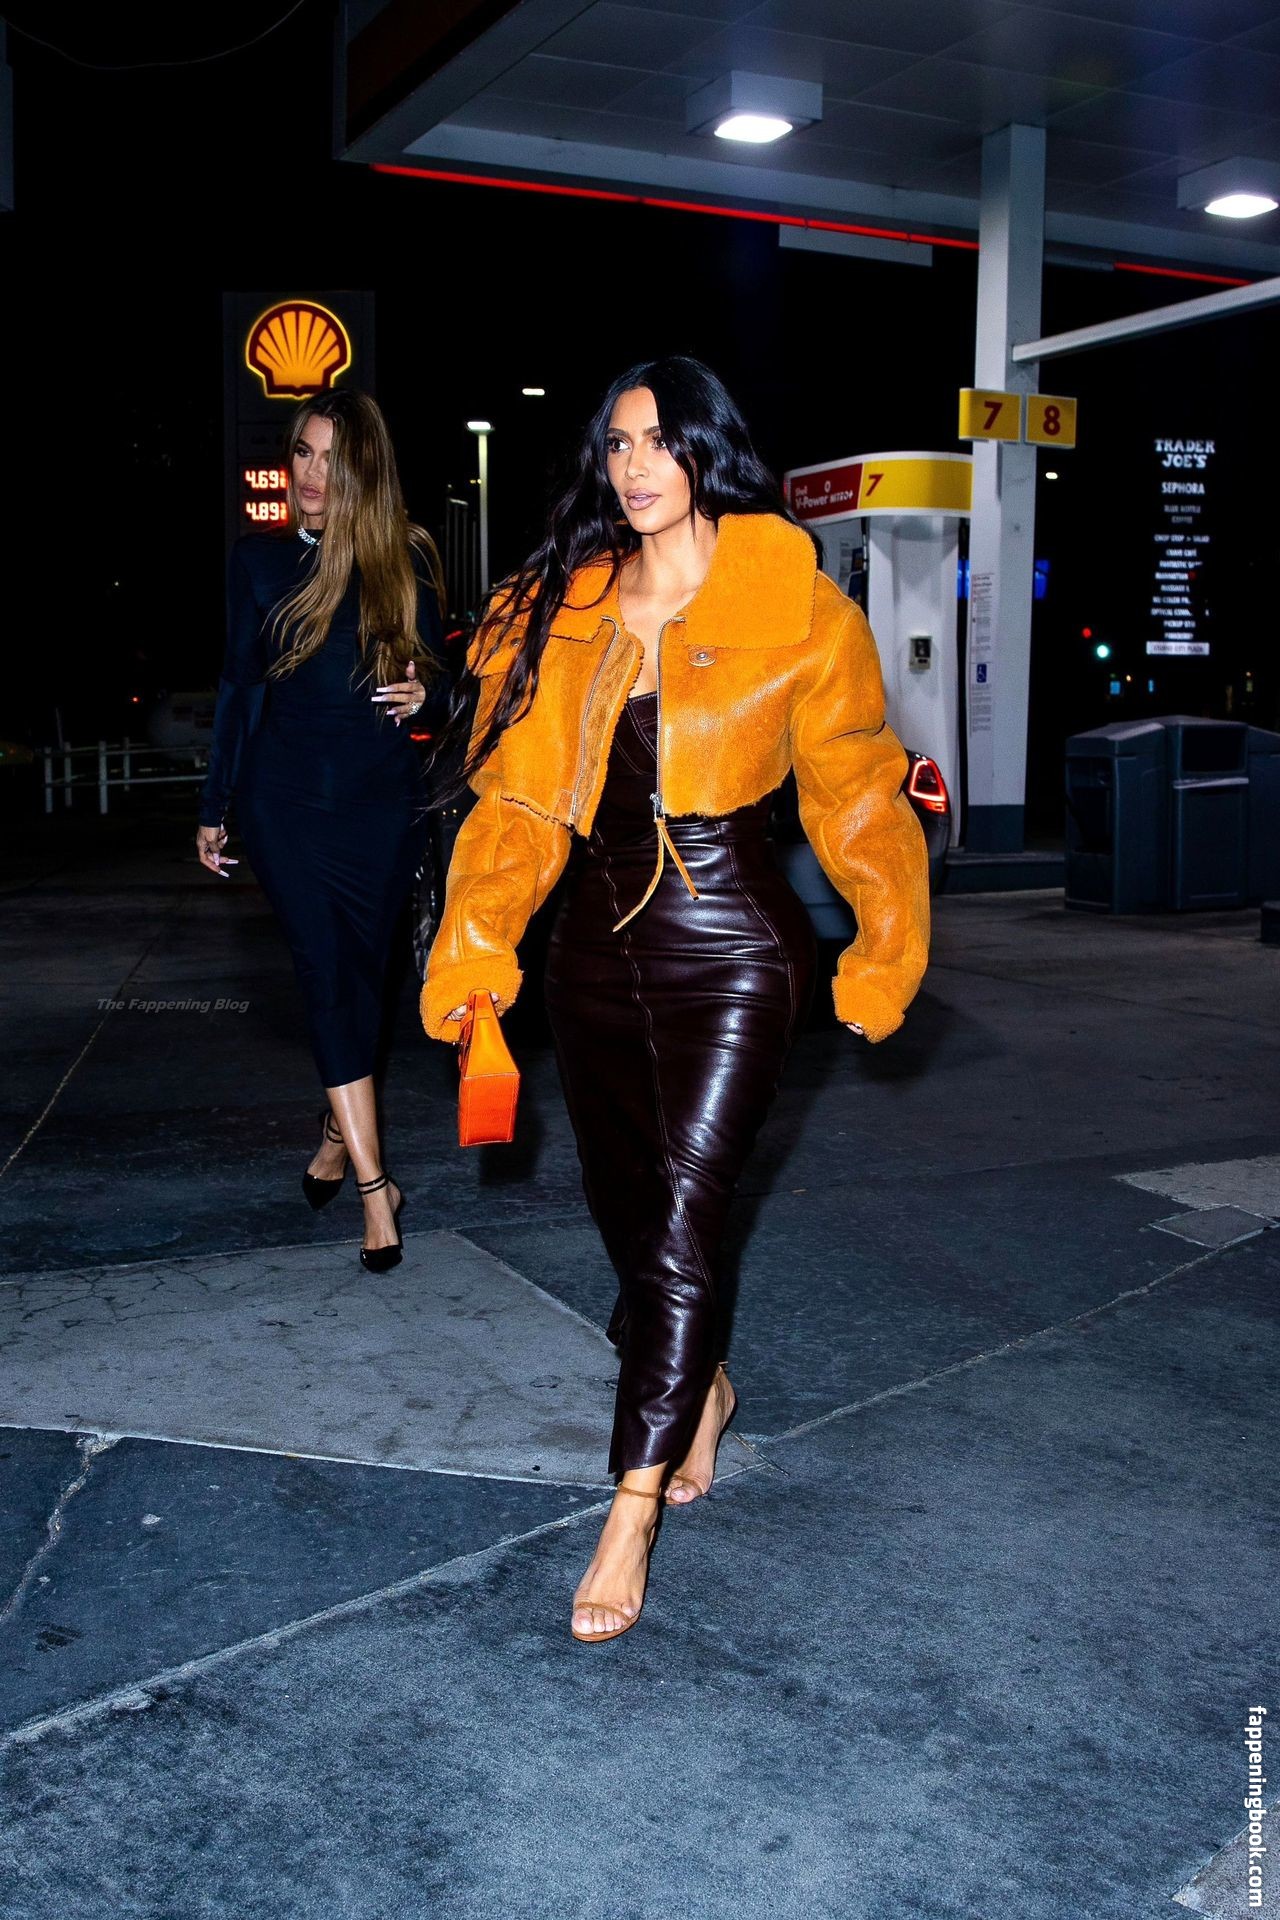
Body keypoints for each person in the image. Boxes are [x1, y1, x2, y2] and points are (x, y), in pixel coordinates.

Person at [421, 356, 929, 1640]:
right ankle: (702, 1385)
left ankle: (629, 1507)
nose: (634, 466)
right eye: (616, 445)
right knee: (629, 1214)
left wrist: (884, 944)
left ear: (707, 450)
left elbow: (855, 789)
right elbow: (516, 811)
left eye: (657, 441)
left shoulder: (794, 608)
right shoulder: (557, 606)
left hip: (733, 950)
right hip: (589, 955)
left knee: (686, 1220)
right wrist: (475, 953)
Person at [197, 389, 445, 1272]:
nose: (311, 473)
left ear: (364, 472)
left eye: (333, 460)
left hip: (381, 810)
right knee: (325, 973)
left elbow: (442, 682)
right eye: (302, 452)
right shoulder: (258, 562)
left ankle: (338, 1132)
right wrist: (215, 804)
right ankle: (379, 1194)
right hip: (285, 807)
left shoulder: (405, 560)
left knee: (364, 985)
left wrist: (427, 696)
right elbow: (240, 688)